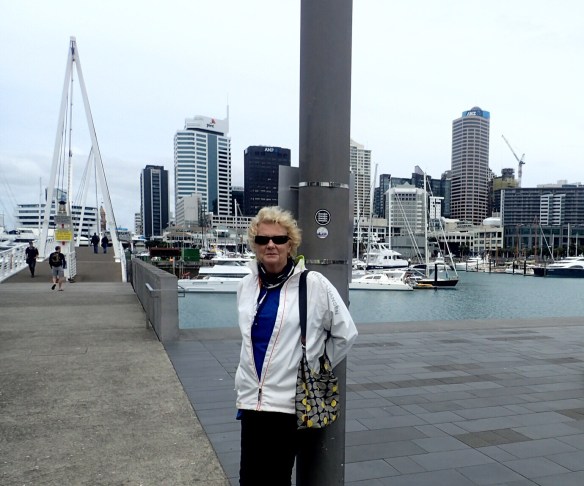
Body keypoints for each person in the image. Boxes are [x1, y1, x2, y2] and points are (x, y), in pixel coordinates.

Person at [235, 206, 358, 485]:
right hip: (252, 403)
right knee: (248, 479)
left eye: (278, 239)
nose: (270, 245)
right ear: (255, 244)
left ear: (290, 244)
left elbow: (345, 333)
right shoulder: (246, 286)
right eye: (263, 239)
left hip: (288, 406)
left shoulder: (312, 284)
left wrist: (314, 364)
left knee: (276, 479)